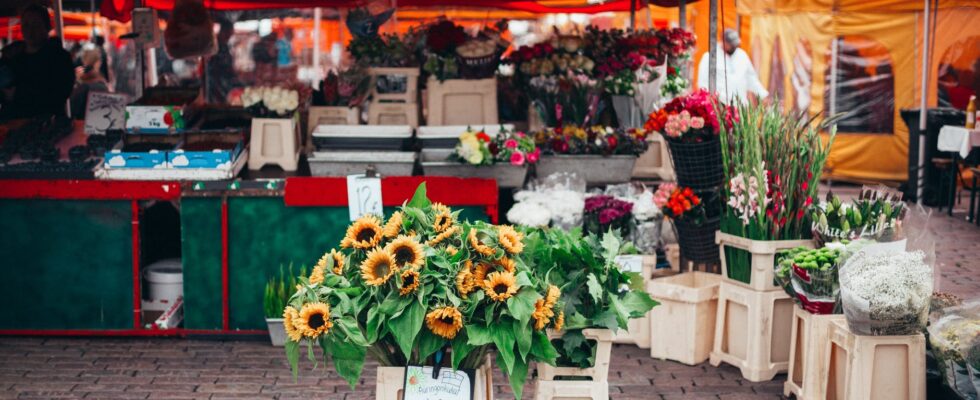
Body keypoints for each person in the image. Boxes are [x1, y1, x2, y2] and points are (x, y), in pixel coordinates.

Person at [0, 4, 75, 120]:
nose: (30, 30)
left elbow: (58, 94)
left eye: (35, 24)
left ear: (46, 27)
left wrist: (18, 94)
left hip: (47, 126)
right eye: (26, 25)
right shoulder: (12, 56)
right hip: (11, 125)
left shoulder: (59, 58)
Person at [697, 28, 768, 104]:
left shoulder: (742, 55)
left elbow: (751, 78)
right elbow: (702, 82)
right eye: (731, 44)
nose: (734, 46)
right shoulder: (709, 57)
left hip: (740, 105)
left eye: (735, 44)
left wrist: (763, 94)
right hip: (719, 106)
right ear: (723, 41)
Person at [69, 49, 110, 120]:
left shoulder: (80, 84)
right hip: (98, 125)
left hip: (81, 125)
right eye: (100, 61)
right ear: (96, 63)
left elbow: (72, 109)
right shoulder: (100, 84)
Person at [206, 19, 237, 103]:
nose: (229, 36)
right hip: (215, 83)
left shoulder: (225, 46)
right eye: (229, 33)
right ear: (223, 31)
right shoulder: (215, 45)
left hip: (223, 82)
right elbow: (213, 65)